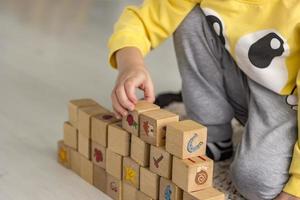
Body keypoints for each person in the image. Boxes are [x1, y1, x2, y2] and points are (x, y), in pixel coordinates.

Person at [107, 1, 300, 199]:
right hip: (246, 77)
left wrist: (296, 187)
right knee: (189, 18)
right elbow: (145, 18)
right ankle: (213, 135)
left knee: (256, 182)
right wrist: (130, 64)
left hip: (288, 103)